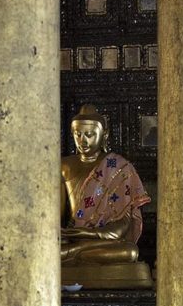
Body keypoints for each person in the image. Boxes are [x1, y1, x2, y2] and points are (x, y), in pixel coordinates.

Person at [61, 104, 150, 265]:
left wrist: (88, 233)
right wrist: (65, 235)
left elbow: (123, 224)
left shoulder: (120, 168)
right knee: (52, 250)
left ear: (104, 135)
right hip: (72, 239)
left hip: (101, 240)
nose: (83, 140)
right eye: (78, 134)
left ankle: (75, 255)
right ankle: (75, 254)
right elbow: (56, 218)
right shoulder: (64, 166)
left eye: (89, 134)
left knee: (130, 252)